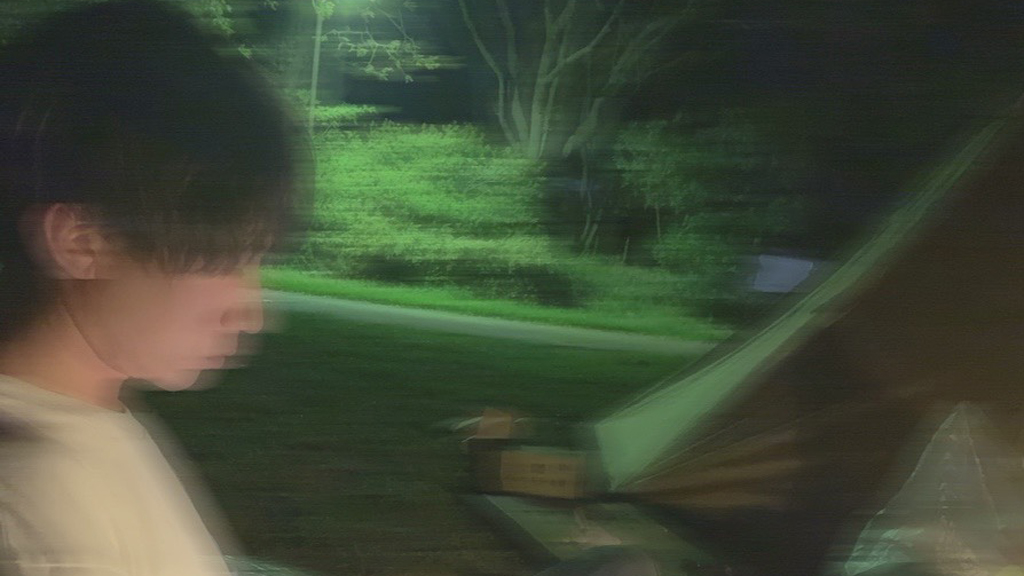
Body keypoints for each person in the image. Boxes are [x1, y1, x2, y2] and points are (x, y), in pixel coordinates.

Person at [0, 1, 311, 574]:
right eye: (220, 260)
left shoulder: (84, 419)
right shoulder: (40, 497)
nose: (250, 313)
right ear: (82, 243)